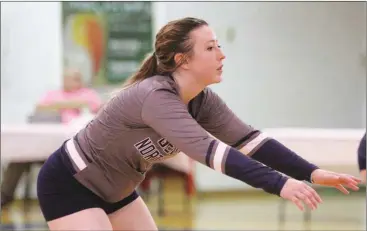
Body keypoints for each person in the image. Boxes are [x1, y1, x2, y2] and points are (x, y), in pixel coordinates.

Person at [36, 17, 361, 230]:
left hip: (118, 191)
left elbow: (251, 141)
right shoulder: (155, 96)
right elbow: (211, 153)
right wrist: (280, 183)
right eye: (210, 47)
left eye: (219, 45)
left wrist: (312, 172)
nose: (221, 54)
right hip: (70, 184)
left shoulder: (201, 100)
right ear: (183, 60)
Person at [1, 68, 102, 207]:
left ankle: (73, 200)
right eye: (65, 78)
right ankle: (5, 196)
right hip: (45, 147)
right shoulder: (53, 94)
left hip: (74, 150)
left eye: (71, 78)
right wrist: (73, 104)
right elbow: (39, 108)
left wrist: (57, 106)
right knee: (19, 157)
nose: (66, 81)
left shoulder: (89, 94)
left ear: (79, 80)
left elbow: (96, 110)